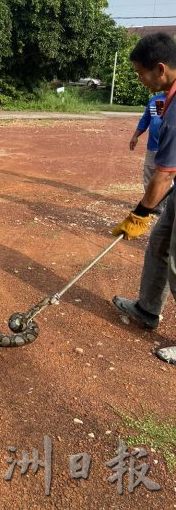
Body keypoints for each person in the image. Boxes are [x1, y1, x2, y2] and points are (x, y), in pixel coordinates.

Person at [112, 32, 176, 365]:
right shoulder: (169, 98)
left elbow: (163, 174)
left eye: (141, 73)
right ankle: (148, 310)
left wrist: (139, 214)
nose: (140, 80)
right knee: (160, 244)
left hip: (172, 181)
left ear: (160, 69)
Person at [129, 92, 167, 214]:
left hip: (169, 148)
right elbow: (146, 119)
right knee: (149, 176)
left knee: (166, 178)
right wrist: (135, 136)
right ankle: (152, 204)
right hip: (152, 147)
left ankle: (165, 207)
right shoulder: (155, 99)